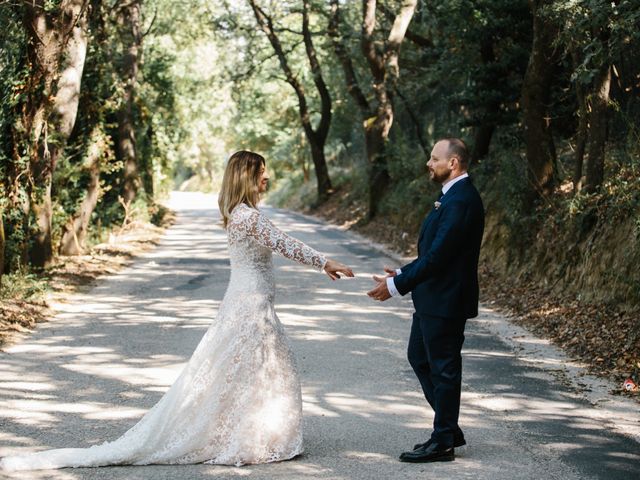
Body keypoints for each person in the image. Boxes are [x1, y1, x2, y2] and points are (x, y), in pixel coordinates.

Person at [0, 150, 353, 472]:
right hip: (250, 304)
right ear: (245, 176)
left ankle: (258, 434)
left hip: (248, 300)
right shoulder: (248, 217)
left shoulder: (241, 214)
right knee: (258, 368)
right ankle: (249, 437)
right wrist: (325, 261)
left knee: (251, 369)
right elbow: (286, 244)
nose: (267, 177)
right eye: (262, 172)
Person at [367, 138, 484, 463]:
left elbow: (437, 258)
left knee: (443, 369)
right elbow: (435, 254)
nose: (429, 164)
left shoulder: (461, 200)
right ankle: (449, 429)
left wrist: (396, 285)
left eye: (434, 159)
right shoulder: (451, 196)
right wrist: (403, 271)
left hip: (446, 300)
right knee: (419, 357)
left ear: (454, 163)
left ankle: (443, 441)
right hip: (433, 297)